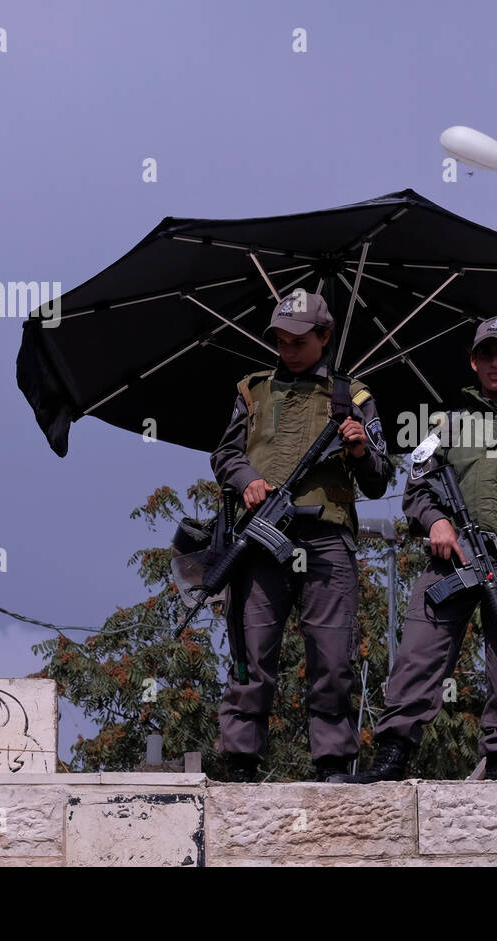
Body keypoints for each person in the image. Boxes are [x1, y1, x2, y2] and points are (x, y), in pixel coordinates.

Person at [335, 315, 497, 783]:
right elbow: (416, 489)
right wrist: (438, 523)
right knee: (419, 652)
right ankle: (392, 757)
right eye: (486, 354)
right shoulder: (446, 425)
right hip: (453, 554)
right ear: (473, 362)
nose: (495, 362)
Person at [210, 290, 394, 782]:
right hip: (263, 536)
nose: (287, 349)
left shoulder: (353, 396)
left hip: (327, 541)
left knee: (332, 657)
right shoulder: (252, 390)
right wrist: (247, 479)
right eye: (280, 340)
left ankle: (333, 763)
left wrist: (358, 449)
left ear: (324, 337)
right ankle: (241, 760)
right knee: (251, 653)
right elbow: (224, 455)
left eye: (298, 340)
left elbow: (380, 478)